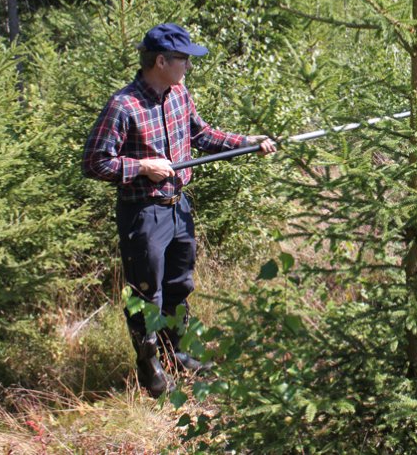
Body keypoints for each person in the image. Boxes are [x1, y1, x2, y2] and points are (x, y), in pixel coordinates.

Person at [83, 23, 277, 397]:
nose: (188, 66)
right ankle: (150, 368)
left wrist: (248, 141)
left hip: (178, 209)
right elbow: (93, 162)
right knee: (145, 294)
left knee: (179, 285)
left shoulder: (179, 95)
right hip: (143, 214)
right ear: (160, 61)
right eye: (183, 59)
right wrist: (141, 167)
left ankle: (177, 354)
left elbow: (202, 135)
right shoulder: (124, 106)